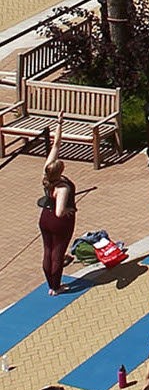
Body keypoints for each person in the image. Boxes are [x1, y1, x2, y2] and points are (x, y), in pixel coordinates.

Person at [38, 113, 77, 293]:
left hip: (44, 216)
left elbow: (56, 145)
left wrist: (59, 124)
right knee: (58, 252)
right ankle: (56, 286)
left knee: (47, 249)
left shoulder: (47, 175)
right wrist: (69, 208)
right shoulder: (63, 188)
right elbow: (60, 211)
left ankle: (49, 284)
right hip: (58, 221)